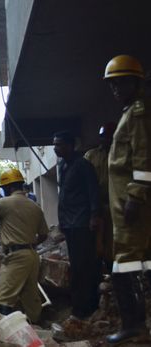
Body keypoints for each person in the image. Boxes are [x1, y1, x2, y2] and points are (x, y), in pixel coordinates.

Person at [103, 55, 151, 344]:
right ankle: (135, 324)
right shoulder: (127, 113)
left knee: (126, 266)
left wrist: (136, 196)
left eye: (121, 82)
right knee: (130, 265)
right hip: (123, 206)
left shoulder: (138, 114)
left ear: (136, 82)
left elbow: (144, 157)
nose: (116, 88)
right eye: (113, 84)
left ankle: (134, 325)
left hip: (132, 206)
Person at [0, 168, 49, 322]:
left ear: (7, 188)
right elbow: (43, 235)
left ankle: (7, 335)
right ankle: (38, 329)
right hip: (32, 256)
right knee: (30, 296)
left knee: (3, 299)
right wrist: (29, 243)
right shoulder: (35, 206)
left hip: (15, 256)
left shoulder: (3, 203)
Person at [53, 130, 101, 319]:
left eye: (59, 144)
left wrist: (95, 216)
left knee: (85, 267)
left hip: (82, 223)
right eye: (54, 145)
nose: (56, 148)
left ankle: (87, 307)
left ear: (70, 145)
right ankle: (79, 305)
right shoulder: (64, 165)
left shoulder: (83, 165)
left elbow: (93, 191)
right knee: (76, 266)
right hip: (70, 224)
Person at [84, 123, 117, 272]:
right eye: (104, 137)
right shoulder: (91, 156)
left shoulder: (123, 152)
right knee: (96, 243)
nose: (107, 140)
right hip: (96, 206)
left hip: (118, 206)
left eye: (110, 136)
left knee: (115, 243)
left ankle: (114, 271)